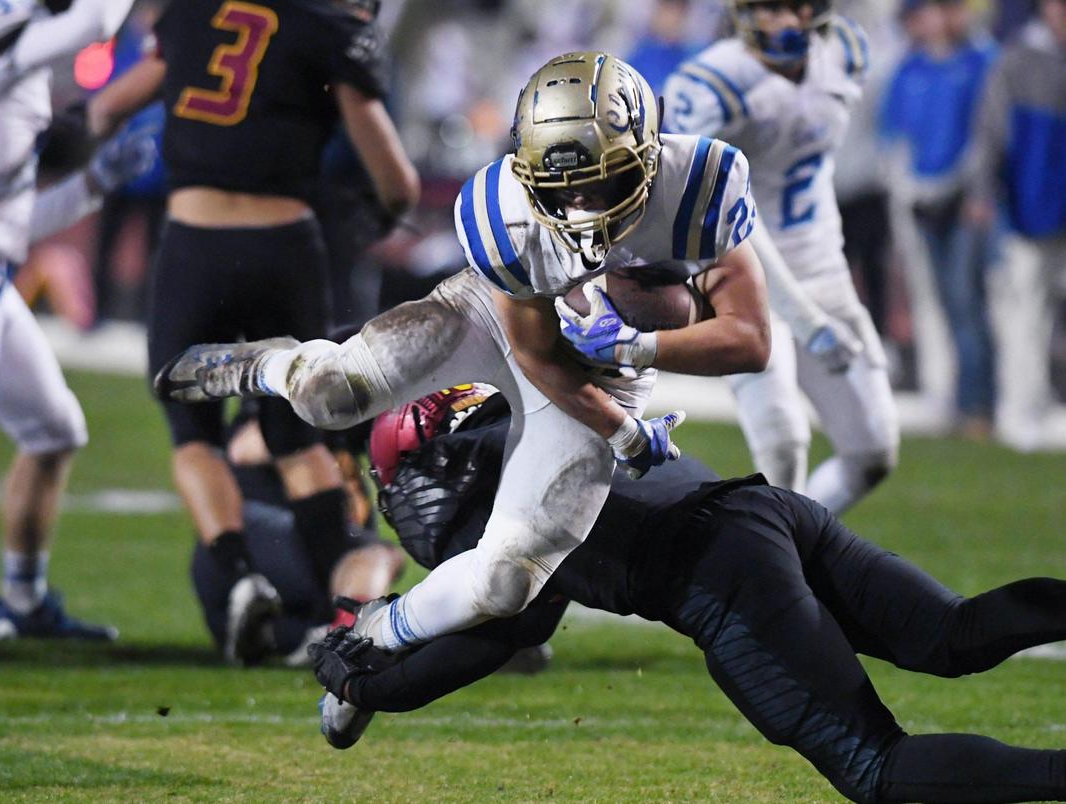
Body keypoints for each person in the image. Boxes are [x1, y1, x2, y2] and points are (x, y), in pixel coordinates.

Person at [155, 52, 771, 657]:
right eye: (563, 191)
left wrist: (642, 344)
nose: (583, 208)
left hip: (609, 371)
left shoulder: (700, 186)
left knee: (508, 581)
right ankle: (270, 365)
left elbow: (752, 340)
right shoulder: (506, 212)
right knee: (329, 397)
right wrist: (624, 434)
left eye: (600, 180)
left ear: (648, 143)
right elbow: (534, 352)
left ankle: (375, 633)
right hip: (501, 316)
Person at [309, 387, 1066, 804]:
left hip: (719, 572)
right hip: (769, 511)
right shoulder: (550, 408)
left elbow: (498, 630)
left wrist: (364, 678)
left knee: (875, 767)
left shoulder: (491, 496)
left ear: (434, 457)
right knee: (951, 632)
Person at [87, 0, 421, 663]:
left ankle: (238, 575)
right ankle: (341, 613)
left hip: (193, 245)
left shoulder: (192, 12)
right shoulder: (331, 25)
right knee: (297, 438)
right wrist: (388, 212)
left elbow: (106, 108)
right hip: (283, 248)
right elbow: (395, 176)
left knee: (194, 434)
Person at [0, 0, 151, 640]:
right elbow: (94, 24)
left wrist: (93, 184)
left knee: (54, 430)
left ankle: (21, 601)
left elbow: (2, 223)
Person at [663, 0, 900, 513]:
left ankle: (786, 548)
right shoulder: (710, 83)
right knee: (784, 447)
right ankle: (775, 571)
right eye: (773, 7)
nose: (789, 21)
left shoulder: (843, 52)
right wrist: (806, 319)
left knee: (873, 450)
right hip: (743, 280)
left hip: (823, 268)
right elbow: (726, 215)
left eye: (799, 6)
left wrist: (827, 305)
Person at [191, 402, 406, 665]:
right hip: (251, 550)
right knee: (377, 555)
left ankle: (301, 634)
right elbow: (247, 447)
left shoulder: (351, 422)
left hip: (296, 573)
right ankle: (351, 634)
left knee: (319, 615)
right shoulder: (283, 413)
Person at [881, 0, 998, 438]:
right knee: (935, 304)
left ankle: (979, 404)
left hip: (967, 201)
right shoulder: (910, 69)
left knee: (968, 300)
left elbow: (984, 136)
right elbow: (895, 137)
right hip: (922, 202)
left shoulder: (982, 62)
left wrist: (952, 187)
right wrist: (909, 187)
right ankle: (947, 397)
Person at [965, 0, 1066, 452]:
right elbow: (990, 134)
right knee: (1025, 316)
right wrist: (985, 193)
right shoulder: (1017, 63)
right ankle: (1022, 413)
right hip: (1031, 209)